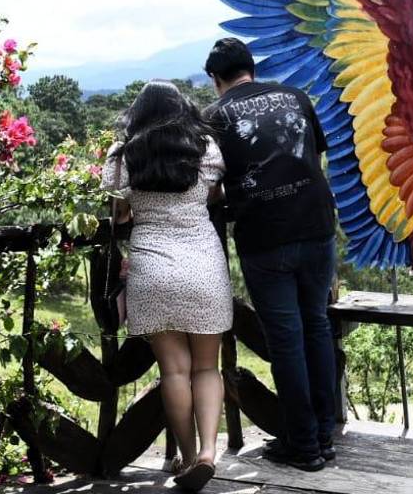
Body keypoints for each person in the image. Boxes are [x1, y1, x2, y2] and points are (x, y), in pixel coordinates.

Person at [202, 37, 339, 472]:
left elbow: (211, 185)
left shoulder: (214, 117)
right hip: (317, 225)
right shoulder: (295, 97)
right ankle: (324, 433)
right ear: (252, 68)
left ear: (216, 79)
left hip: (265, 236)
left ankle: (304, 445)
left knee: (286, 341)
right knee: (316, 326)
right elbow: (315, 156)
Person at [101, 80, 231, 491]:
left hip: (152, 268)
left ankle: (187, 458)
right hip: (203, 263)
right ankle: (209, 453)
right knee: (207, 367)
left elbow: (118, 214)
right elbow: (215, 194)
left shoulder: (123, 155)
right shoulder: (204, 148)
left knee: (174, 371)